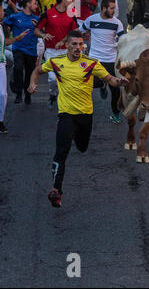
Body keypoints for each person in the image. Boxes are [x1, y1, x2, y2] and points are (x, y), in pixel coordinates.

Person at [27, 30, 129, 207]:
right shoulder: (56, 62)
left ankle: (77, 136)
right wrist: (33, 83)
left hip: (85, 116)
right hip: (66, 114)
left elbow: (110, 78)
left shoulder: (91, 63)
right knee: (61, 152)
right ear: (66, 45)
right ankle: (56, 190)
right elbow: (37, 70)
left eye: (81, 44)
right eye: (74, 44)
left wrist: (118, 82)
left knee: (82, 147)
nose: (78, 48)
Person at [79, 0, 124, 123]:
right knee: (88, 86)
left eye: (114, 8)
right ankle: (101, 85)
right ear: (103, 8)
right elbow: (79, 32)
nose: (114, 11)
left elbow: (123, 40)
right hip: (95, 60)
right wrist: (80, 44)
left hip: (111, 60)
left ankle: (115, 114)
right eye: (111, 8)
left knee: (116, 90)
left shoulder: (117, 23)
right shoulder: (91, 20)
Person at [34, 0, 78, 110]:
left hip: (66, 51)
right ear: (64, 0)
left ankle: (66, 101)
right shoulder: (48, 14)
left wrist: (63, 41)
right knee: (53, 78)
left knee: (67, 77)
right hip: (51, 51)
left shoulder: (72, 13)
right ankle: (53, 94)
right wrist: (43, 35)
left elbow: (75, 31)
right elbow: (36, 29)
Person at [0, 0, 29, 133]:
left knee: (2, 94)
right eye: (1, 9)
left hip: (1, 63)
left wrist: (17, 38)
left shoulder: (1, 27)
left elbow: (5, 43)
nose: (3, 12)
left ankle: (0, 121)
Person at [3, 0, 39, 105]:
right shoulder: (15, 17)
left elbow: (42, 32)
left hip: (32, 50)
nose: (36, 6)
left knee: (29, 73)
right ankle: (18, 93)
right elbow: (4, 23)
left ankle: (27, 94)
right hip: (18, 48)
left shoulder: (37, 19)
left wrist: (38, 27)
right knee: (18, 67)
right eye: (34, 3)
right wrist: (6, 36)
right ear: (28, 4)